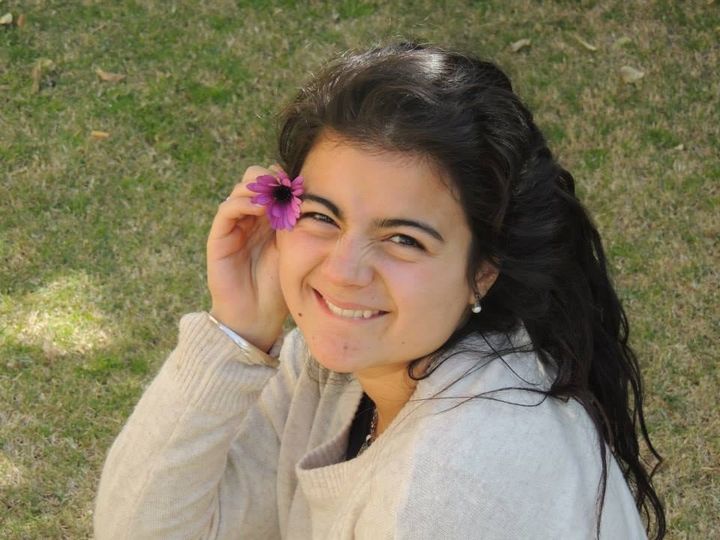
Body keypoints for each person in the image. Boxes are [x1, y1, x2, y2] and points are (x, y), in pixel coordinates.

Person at [94, 42, 665, 539]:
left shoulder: (453, 486)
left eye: (403, 240)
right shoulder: (337, 369)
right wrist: (236, 333)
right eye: (322, 217)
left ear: (482, 272)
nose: (345, 271)